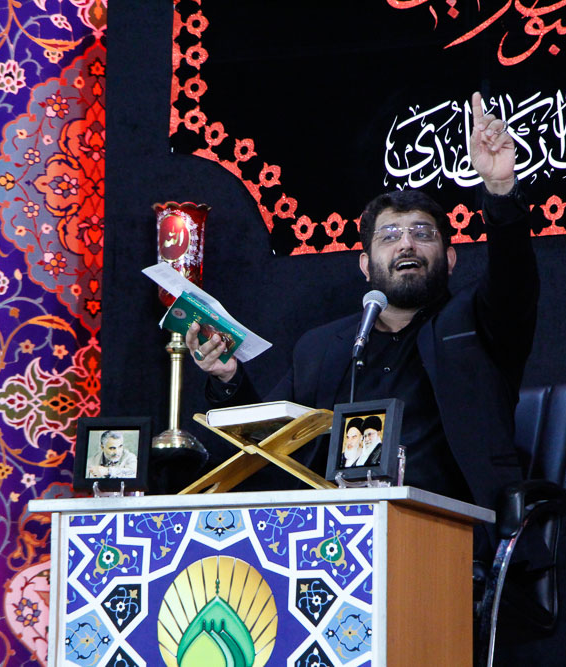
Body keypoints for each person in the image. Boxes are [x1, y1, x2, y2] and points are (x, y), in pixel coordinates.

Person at [187, 91, 540, 563]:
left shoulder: (477, 325)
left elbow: (515, 278)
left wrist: (499, 190)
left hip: (451, 542)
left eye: (423, 234)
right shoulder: (324, 347)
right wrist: (229, 378)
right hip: (332, 545)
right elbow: (271, 445)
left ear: (450, 259)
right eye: (389, 236)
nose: (406, 244)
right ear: (365, 265)